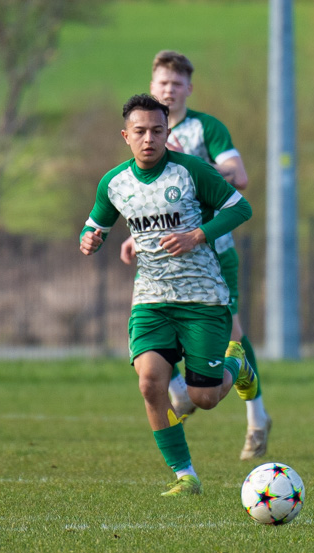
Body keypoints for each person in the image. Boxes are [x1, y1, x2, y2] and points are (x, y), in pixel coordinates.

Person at [80, 94, 260, 497]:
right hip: (151, 301)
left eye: (157, 131)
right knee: (150, 383)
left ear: (168, 133)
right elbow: (95, 224)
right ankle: (185, 475)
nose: (149, 139)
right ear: (126, 135)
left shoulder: (192, 171)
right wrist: (90, 239)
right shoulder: (114, 183)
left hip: (203, 300)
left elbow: (240, 207)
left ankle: (237, 362)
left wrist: (197, 235)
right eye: (140, 132)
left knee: (205, 397)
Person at [119, 50, 271, 461]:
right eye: (162, 83)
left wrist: (192, 173)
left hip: (213, 250)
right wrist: (139, 235)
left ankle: (257, 417)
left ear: (189, 88)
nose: (169, 89)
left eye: (176, 83)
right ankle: (185, 396)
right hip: (163, 257)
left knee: (234, 333)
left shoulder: (206, 128)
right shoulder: (144, 132)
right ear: (152, 87)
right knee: (161, 336)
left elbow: (238, 176)